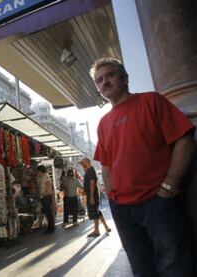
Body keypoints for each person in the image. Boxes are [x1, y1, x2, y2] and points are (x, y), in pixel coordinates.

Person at [91, 57, 195, 276]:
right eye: (99, 80)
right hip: (122, 209)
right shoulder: (103, 123)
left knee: (175, 267)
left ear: (125, 78)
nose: (105, 82)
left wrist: (168, 187)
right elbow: (106, 164)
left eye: (110, 75)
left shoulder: (152, 101)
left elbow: (184, 140)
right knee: (141, 268)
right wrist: (112, 196)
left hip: (158, 203)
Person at [79, 157, 111, 237]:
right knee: (96, 211)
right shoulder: (89, 170)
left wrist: (92, 196)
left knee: (94, 212)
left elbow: (92, 183)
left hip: (92, 195)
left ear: (86, 162)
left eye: (83, 163)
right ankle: (105, 227)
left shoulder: (90, 170)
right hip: (92, 194)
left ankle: (97, 231)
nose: (82, 165)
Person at [37, 165, 55, 234]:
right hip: (45, 196)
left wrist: (45, 193)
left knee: (48, 213)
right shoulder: (44, 176)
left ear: (41, 171)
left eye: (38, 171)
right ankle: (50, 227)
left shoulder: (45, 176)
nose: (38, 173)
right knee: (48, 213)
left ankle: (51, 228)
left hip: (46, 196)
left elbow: (48, 184)